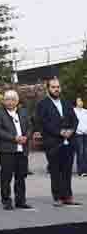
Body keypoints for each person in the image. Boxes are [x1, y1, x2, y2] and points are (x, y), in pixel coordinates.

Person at [35, 78, 80, 207]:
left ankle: (68, 196)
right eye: (53, 87)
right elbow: (43, 123)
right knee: (55, 171)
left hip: (69, 142)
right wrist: (59, 132)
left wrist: (71, 130)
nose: (56, 89)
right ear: (48, 88)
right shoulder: (42, 104)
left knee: (67, 171)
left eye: (58, 87)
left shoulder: (66, 103)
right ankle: (58, 197)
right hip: (53, 143)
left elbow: (74, 120)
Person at [0, 90, 33, 210]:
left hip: (22, 149)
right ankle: (6, 200)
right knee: (6, 176)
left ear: (17, 101)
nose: (9, 102)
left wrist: (26, 136)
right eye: (7, 99)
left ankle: (20, 200)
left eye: (12, 99)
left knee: (21, 176)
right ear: (4, 101)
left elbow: (30, 126)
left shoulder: (23, 111)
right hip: (7, 150)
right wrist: (14, 138)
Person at [73, 97, 87, 177]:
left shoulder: (85, 111)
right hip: (78, 134)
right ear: (76, 102)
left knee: (85, 152)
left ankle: (85, 170)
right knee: (80, 152)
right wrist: (77, 130)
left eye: (81, 101)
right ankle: (81, 170)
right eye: (79, 101)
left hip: (86, 134)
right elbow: (74, 122)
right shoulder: (73, 111)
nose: (81, 102)